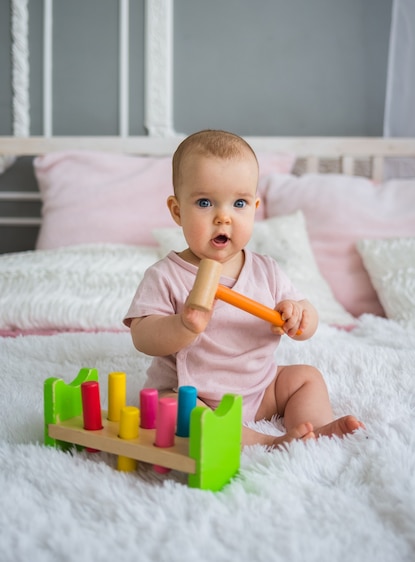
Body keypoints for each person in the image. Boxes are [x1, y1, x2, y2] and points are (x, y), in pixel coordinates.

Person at [124, 129, 363, 448]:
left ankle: (314, 428)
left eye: (239, 203)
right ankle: (264, 441)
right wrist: (182, 325)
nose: (224, 217)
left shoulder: (267, 270)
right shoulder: (166, 275)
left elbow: (306, 317)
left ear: (254, 207)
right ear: (178, 211)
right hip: (194, 394)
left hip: (261, 389)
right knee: (172, 407)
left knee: (306, 377)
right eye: (205, 202)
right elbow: (143, 337)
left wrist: (299, 317)